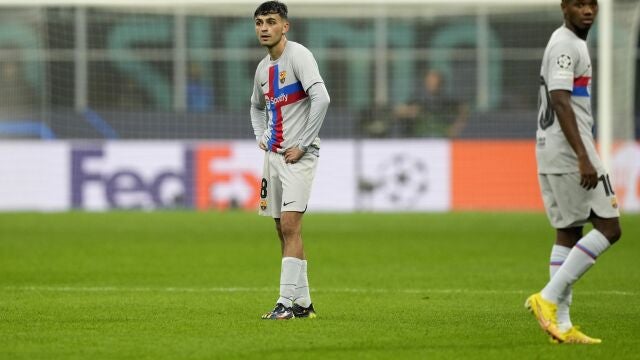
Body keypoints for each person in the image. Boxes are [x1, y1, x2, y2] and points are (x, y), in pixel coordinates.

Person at [526, 0, 622, 344]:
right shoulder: (567, 45)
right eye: (579, 4)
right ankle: (548, 298)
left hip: (551, 149)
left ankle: (562, 327)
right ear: (564, 8)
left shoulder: (564, 41)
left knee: (568, 232)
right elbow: (560, 99)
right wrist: (583, 155)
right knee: (610, 228)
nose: (588, 10)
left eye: (592, 4)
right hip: (570, 152)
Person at [250, 1, 330, 320]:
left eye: (271, 21)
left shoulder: (299, 55)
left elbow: (321, 98)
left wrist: (303, 143)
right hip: (274, 156)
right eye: (259, 22)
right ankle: (304, 304)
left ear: (286, 26)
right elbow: (256, 106)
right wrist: (261, 134)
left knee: (290, 224)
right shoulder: (262, 69)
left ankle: (284, 302)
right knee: (281, 230)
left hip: (299, 157)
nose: (264, 28)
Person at [394, 69, 468, 138]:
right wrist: (410, 112)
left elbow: (464, 110)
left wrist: (456, 127)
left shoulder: (448, 99)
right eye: (430, 81)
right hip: (420, 137)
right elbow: (398, 111)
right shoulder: (417, 98)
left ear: (441, 83)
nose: (432, 84)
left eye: (435, 82)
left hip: (442, 137)